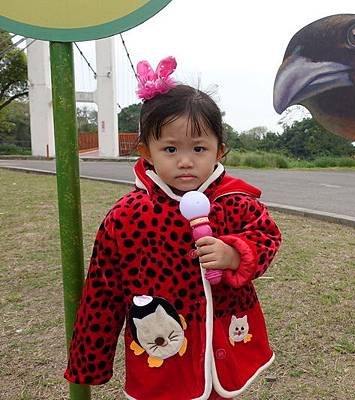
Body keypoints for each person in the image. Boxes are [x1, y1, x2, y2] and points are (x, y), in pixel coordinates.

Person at [64, 56, 282, 400]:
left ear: (219, 151)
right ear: (146, 151)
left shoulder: (234, 199)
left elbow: (266, 235)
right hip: (160, 343)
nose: (185, 160)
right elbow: (103, 291)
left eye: (199, 148)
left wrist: (233, 253)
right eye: (170, 148)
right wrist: (89, 363)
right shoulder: (127, 216)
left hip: (224, 337)